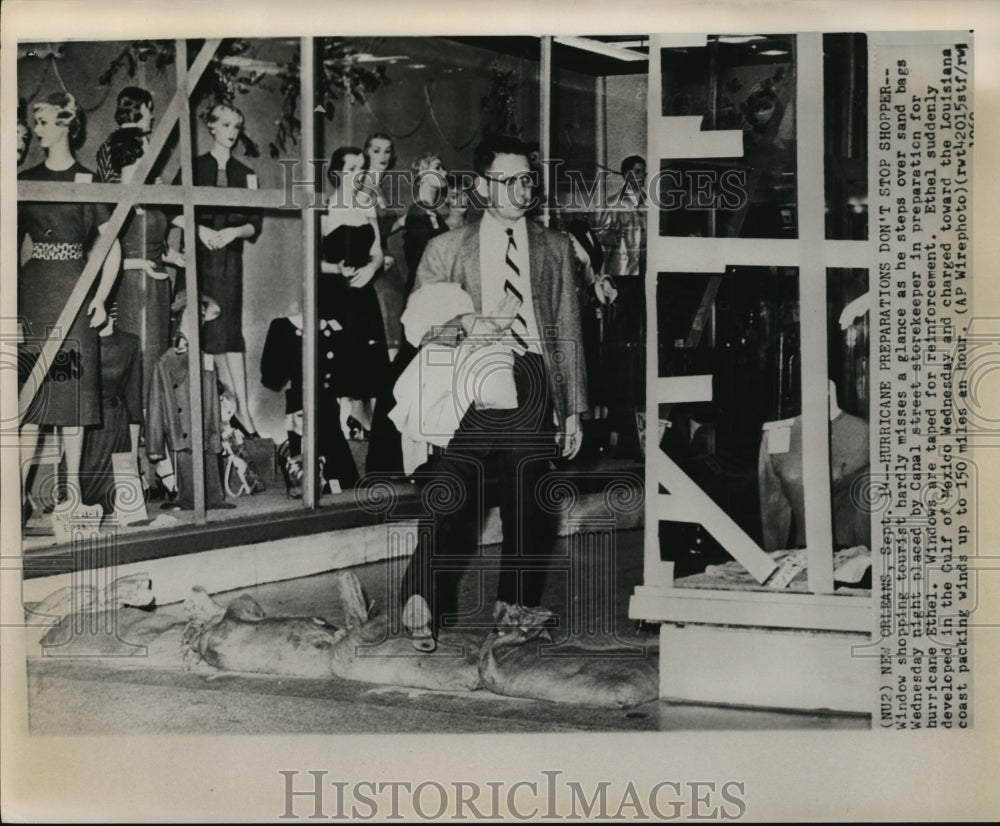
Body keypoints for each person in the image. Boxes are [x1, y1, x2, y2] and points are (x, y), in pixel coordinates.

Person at [398, 134, 588, 652]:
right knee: (469, 491)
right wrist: (467, 323)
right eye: (510, 181)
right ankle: (456, 602)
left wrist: (572, 409)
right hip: (469, 380)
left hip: (531, 376)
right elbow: (418, 325)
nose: (524, 190)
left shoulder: (553, 247)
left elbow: (567, 326)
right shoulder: (445, 248)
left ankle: (481, 605)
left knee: (520, 497)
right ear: (482, 187)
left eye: (529, 178)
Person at [18, 91, 123, 518]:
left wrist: (100, 298)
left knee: (73, 401)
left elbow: (110, 246)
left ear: (65, 123)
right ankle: (16, 497)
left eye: (42, 121)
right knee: (30, 401)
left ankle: (72, 496)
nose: (36, 130)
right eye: (34, 122)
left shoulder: (87, 180)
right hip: (36, 296)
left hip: (77, 298)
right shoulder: (27, 178)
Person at [174, 102, 263, 437]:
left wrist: (232, 233)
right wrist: (199, 230)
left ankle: (243, 413)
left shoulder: (246, 174)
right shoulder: (192, 167)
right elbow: (168, 209)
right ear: (210, 126)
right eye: (225, 125)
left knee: (229, 336)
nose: (231, 132)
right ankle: (200, 421)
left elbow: (255, 223)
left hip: (228, 262)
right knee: (195, 335)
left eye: (236, 126)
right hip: (197, 259)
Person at [321, 145, 389, 439]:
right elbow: (313, 263)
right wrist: (338, 270)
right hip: (336, 294)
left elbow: (377, 253)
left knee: (371, 367)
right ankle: (341, 432)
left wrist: (372, 269)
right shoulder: (324, 207)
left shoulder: (366, 204)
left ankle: (370, 433)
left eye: (361, 169)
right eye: (350, 169)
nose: (357, 175)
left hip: (364, 293)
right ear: (336, 173)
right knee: (342, 366)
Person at [594, 154, 647, 456]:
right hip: (623, 279)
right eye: (636, 172)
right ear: (626, 174)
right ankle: (619, 416)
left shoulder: (649, 204)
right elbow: (599, 236)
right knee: (621, 345)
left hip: (644, 279)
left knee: (641, 344)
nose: (641, 176)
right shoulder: (615, 203)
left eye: (643, 172)